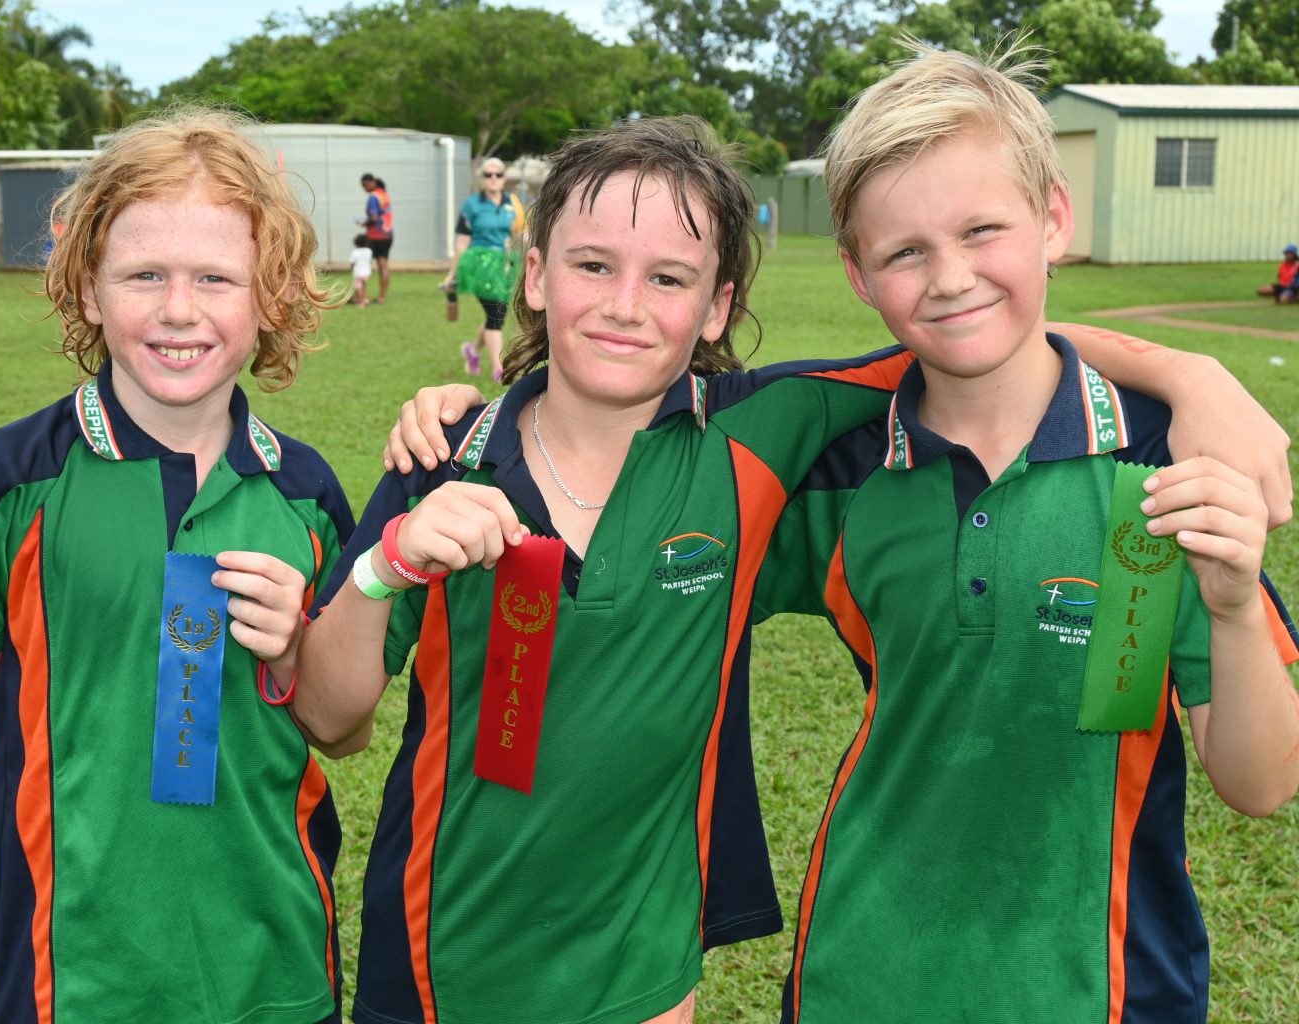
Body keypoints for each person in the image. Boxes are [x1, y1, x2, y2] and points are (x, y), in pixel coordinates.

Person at [299, 115, 1292, 1024]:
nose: (624, 306)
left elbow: (975, 332)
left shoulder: (764, 434)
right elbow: (329, 719)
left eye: (670, 278)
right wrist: (387, 564)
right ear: (533, 274)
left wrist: (1192, 375)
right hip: (432, 965)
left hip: (645, 974)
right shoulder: (441, 461)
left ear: (719, 299)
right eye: (591, 265)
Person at [764, 44, 1299, 1022]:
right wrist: (466, 419)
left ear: (1053, 218)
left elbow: (1260, 782)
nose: (951, 277)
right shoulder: (837, 466)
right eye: (905, 251)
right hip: (863, 976)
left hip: (1106, 985)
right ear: (857, 273)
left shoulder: (1163, 460)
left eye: (982, 230)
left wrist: (1228, 605)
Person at [0, 108, 353, 1024]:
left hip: (278, 965)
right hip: (71, 973)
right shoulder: (8, 483)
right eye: (143, 276)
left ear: (271, 297)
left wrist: (295, 655)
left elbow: (345, 729)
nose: (179, 309)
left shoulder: (310, 495)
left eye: (217, 278)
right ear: (88, 289)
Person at [444, 156, 525, 382]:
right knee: (495, 313)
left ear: (504, 178)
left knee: (495, 313)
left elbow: (521, 232)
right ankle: (499, 368)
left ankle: (472, 350)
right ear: (482, 178)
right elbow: (462, 240)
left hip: (505, 265)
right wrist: (452, 273)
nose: (493, 178)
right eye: (488, 174)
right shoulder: (472, 204)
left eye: (497, 174)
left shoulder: (513, 202)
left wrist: (521, 238)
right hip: (478, 264)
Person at [360, 173, 392, 304]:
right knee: (383, 265)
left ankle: (361, 297)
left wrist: (364, 223)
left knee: (363, 265)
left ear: (370, 183)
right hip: (388, 234)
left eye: (364, 185)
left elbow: (373, 218)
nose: (364, 188)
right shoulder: (384, 195)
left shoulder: (373, 197)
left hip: (375, 236)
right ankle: (382, 297)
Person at [349, 231, 375, 306]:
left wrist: (351, 269)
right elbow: (370, 262)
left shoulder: (355, 252)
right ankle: (365, 299)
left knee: (358, 288)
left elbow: (352, 263)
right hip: (367, 273)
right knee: (364, 286)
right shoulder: (369, 251)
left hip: (358, 273)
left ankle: (361, 302)